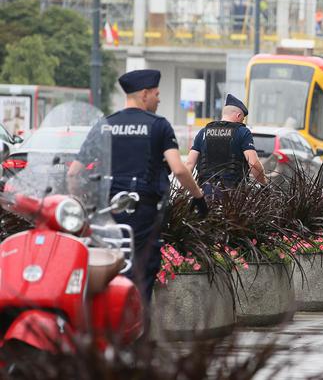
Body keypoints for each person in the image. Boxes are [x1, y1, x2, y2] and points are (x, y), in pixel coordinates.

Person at [69, 69, 208, 303]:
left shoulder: (105, 125)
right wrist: (198, 196)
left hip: (107, 214)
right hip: (144, 215)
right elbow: (179, 169)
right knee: (141, 274)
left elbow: (74, 172)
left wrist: (82, 208)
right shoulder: (158, 126)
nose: (159, 98)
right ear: (144, 94)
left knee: (107, 268)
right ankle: (135, 328)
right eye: (156, 93)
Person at [185, 94, 267, 191]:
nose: (242, 122)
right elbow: (253, 163)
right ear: (238, 115)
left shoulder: (203, 132)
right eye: (243, 119)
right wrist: (264, 184)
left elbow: (189, 164)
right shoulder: (242, 132)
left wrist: (184, 192)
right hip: (232, 195)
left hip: (205, 191)